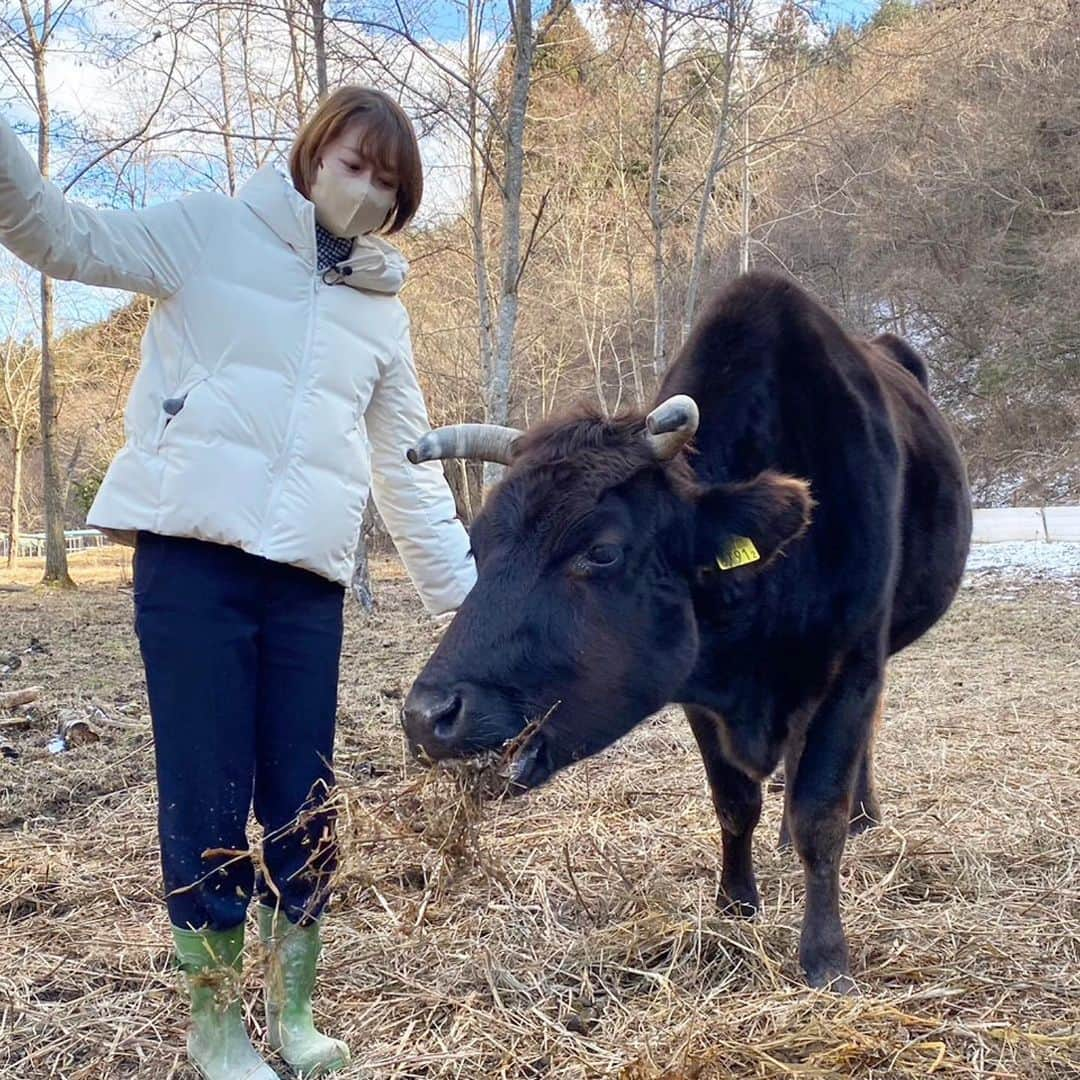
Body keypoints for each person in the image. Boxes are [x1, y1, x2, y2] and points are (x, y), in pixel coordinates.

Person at [0, 87, 475, 1078]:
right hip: (193, 561)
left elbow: (410, 472)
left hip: (305, 578)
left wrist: (471, 616)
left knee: (305, 800)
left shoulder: (380, 315)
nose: (366, 192)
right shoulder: (209, 231)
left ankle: (292, 1015)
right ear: (312, 154)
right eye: (354, 165)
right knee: (207, 793)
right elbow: (58, 235)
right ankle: (216, 1029)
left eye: (388, 186)